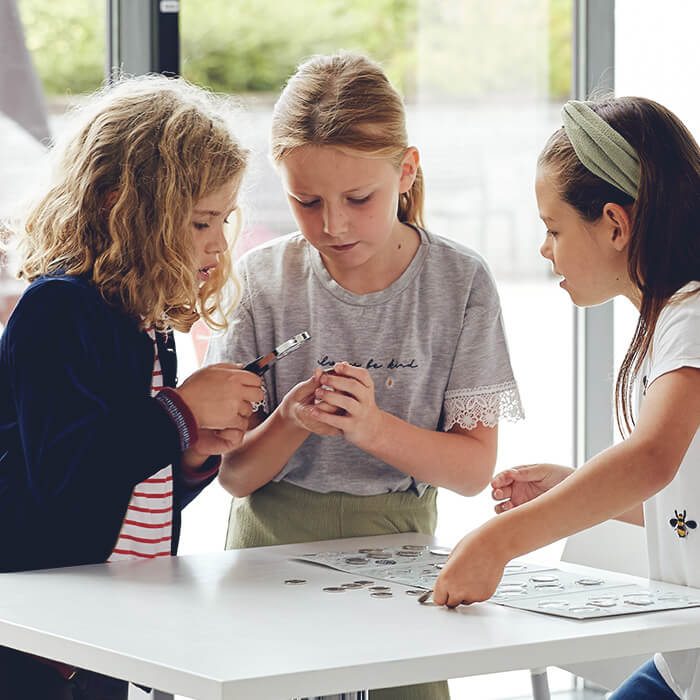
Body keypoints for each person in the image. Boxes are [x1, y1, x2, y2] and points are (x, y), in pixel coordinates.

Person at [205, 51, 524, 700]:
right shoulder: (262, 282)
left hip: (401, 567)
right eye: (306, 201)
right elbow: (233, 476)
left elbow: (470, 473)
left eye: (358, 198)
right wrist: (291, 422)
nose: (333, 225)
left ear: (406, 172)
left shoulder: (460, 284)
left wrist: (373, 428)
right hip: (266, 560)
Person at [0, 74, 264, 699]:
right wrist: (179, 412)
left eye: (224, 220)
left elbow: (134, 498)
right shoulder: (57, 311)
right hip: (36, 633)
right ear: (123, 206)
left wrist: (194, 453)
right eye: (202, 222)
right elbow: (67, 480)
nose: (218, 244)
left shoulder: (149, 324)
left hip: (109, 624)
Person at [433, 96, 700, 700]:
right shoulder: (672, 321)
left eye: (553, 229)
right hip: (683, 666)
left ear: (614, 222)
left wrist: (499, 541)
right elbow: (680, 501)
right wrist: (571, 486)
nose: (543, 249)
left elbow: (651, 460)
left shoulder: (692, 316)